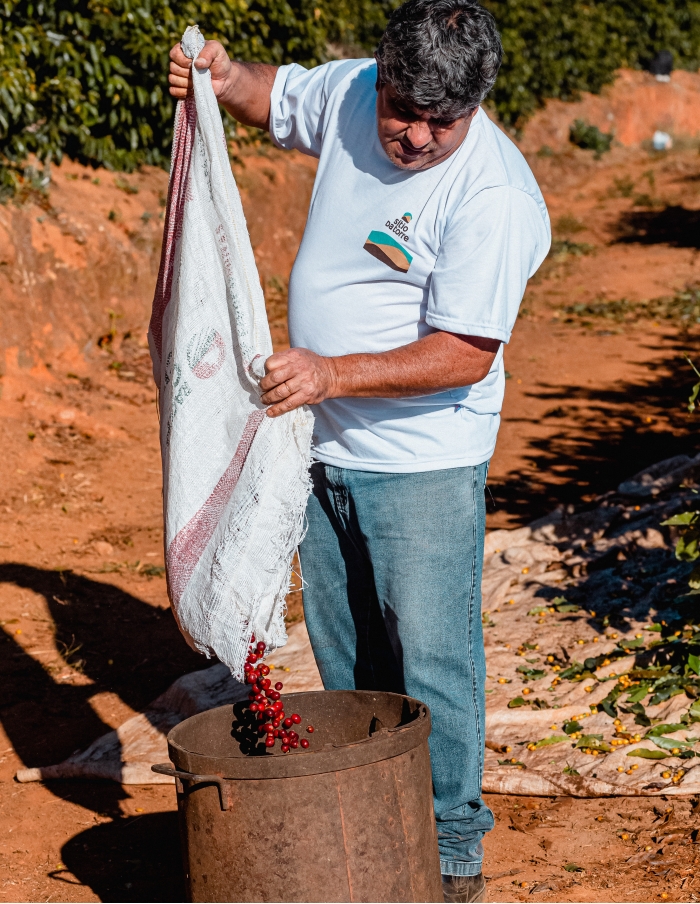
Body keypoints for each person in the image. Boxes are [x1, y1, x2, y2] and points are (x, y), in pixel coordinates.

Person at [169, 1, 550, 899]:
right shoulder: (351, 94)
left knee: (432, 659)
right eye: (403, 112)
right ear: (380, 78)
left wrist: (331, 373)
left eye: (441, 122)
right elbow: (273, 97)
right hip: (319, 446)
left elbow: (464, 352)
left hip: (422, 464)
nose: (416, 136)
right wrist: (224, 78)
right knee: (346, 657)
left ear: (474, 106)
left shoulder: (493, 196)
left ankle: (450, 852)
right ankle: (375, 821)